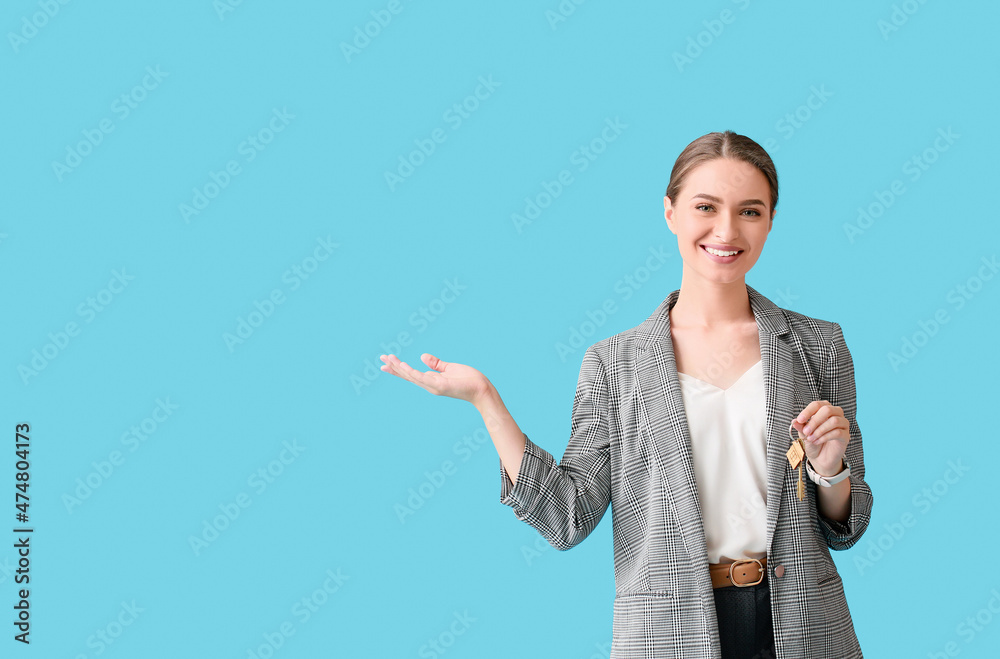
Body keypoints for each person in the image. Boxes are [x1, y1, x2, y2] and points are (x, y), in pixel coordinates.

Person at [379, 131, 873, 659]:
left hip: (804, 629)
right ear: (670, 212)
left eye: (749, 211)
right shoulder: (615, 364)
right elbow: (567, 515)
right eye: (705, 206)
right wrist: (485, 399)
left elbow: (847, 526)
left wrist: (830, 471)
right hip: (668, 634)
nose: (726, 230)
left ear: (771, 220)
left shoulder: (818, 346)